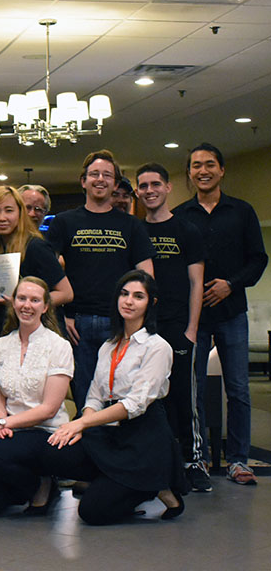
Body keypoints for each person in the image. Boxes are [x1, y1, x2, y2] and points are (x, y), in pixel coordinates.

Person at [43, 270, 186, 525]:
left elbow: (135, 405)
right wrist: (83, 427)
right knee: (55, 451)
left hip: (143, 437)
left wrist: (83, 423)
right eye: (124, 294)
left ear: (151, 303)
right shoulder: (109, 345)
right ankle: (120, 480)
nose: (129, 301)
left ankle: (155, 485)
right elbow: (95, 396)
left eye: (138, 296)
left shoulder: (157, 347)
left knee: (92, 512)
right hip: (108, 431)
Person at [173, 143, 268, 487]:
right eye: (196, 165)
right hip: (194, 317)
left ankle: (239, 460)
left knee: (239, 390)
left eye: (210, 164)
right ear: (189, 173)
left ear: (222, 170)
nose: (203, 171)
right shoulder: (180, 216)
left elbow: (258, 259)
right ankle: (195, 459)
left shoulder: (242, 212)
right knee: (193, 389)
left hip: (232, 312)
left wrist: (231, 284)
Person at [47, 149, 155, 411]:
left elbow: (146, 275)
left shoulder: (131, 225)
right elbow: (46, 270)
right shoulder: (63, 222)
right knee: (84, 394)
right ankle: (87, 448)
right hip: (75, 324)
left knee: (119, 395)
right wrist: (64, 312)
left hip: (119, 323)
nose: (100, 179)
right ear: (83, 180)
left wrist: (137, 319)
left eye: (107, 175)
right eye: (94, 174)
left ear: (115, 183)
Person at [0, 277, 73, 517]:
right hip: (11, 431)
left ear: (45, 307)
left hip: (46, 432)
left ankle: (41, 483)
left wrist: (2, 424)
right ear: (13, 303)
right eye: (22, 298)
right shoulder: (0, 345)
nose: (27, 305)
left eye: (35, 300)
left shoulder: (59, 346)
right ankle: (30, 484)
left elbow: (49, 409)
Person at [135, 163, 207, 490]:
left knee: (183, 396)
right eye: (143, 186)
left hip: (179, 325)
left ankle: (194, 461)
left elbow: (197, 282)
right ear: (137, 191)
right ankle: (159, 462)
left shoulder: (187, 230)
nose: (149, 191)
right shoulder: (136, 231)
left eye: (155, 185)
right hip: (145, 329)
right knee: (151, 398)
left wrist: (192, 329)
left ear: (167, 188)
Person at [0, 186, 73, 350]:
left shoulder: (36, 247)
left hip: (39, 336)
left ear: (20, 214)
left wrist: (25, 303)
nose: (2, 217)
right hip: (7, 334)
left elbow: (66, 293)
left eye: (9, 211)